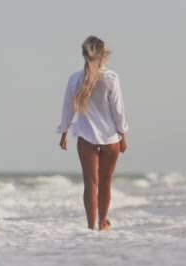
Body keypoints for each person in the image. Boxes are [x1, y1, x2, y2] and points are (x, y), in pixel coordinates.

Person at [57, 36, 129, 231]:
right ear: (104, 54)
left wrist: (64, 132)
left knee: (90, 183)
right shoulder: (111, 78)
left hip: (85, 137)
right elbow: (118, 110)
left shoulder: (74, 79)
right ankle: (103, 221)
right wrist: (123, 135)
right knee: (105, 182)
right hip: (110, 137)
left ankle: (90, 226)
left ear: (83, 54)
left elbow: (67, 109)